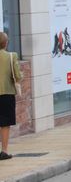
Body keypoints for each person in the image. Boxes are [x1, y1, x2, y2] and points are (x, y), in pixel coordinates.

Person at [0, 32, 22, 160]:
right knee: (5, 123)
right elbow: (18, 76)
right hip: (6, 93)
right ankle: (4, 151)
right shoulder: (11, 56)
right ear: (6, 43)